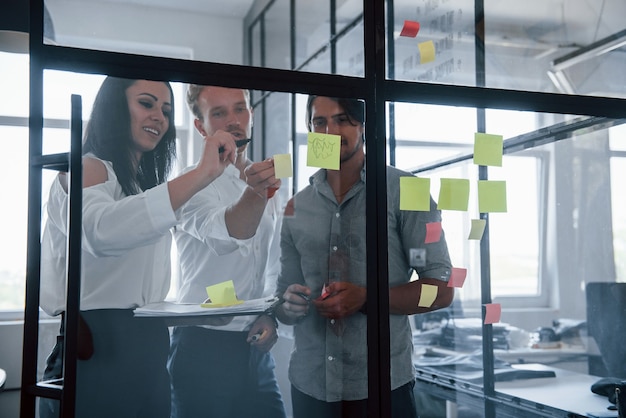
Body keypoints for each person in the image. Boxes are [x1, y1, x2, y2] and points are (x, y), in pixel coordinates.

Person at [38, 77, 237, 418]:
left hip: (147, 354)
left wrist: (193, 316)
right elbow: (100, 232)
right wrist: (203, 173)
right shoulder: (88, 167)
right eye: (146, 103)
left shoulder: (144, 187)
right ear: (115, 107)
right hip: (95, 353)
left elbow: (138, 297)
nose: (159, 116)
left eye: (166, 109)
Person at [274, 96, 454, 418]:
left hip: (382, 388)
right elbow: (284, 297)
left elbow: (442, 289)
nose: (330, 130)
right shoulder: (295, 207)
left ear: (363, 126)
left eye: (343, 119)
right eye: (320, 122)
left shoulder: (406, 189)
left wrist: (368, 299)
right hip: (309, 385)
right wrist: (289, 304)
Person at [167, 85, 286, 418]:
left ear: (252, 114)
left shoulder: (267, 181)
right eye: (219, 113)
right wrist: (257, 192)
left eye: (240, 109)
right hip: (202, 346)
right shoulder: (189, 181)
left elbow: (272, 264)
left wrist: (271, 314)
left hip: (255, 345)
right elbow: (226, 235)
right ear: (200, 126)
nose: (234, 121)